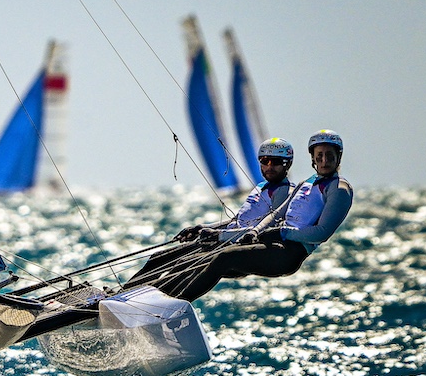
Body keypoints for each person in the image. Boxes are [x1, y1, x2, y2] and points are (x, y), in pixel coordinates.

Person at [147, 129, 353, 302]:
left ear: (339, 157)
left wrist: (281, 233)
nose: (324, 161)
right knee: (190, 258)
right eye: (319, 156)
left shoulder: (339, 188)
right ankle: (143, 297)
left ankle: (172, 304)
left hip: (289, 253)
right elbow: (275, 215)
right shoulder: (305, 183)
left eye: (330, 156)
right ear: (313, 158)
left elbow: (322, 233)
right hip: (274, 242)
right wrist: (255, 232)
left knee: (223, 257)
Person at [125, 137, 296, 288]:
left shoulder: (285, 191)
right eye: (265, 161)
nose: (269, 166)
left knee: (183, 264)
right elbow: (237, 220)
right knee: (158, 258)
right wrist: (201, 228)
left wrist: (219, 235)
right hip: (222, 239)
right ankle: (122, 295)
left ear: (287, 164)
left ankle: (146, 300)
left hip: (237, 248)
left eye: (276, 162)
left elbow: (265, 227)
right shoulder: (260, 187)